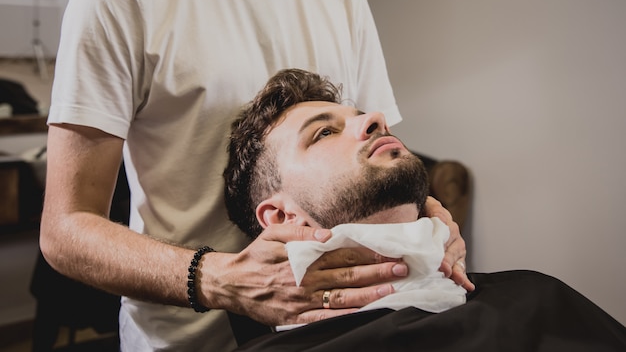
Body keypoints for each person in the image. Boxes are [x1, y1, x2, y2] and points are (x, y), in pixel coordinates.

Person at [40, 0, 472, 351]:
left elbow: (376, 150)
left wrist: (431, 218)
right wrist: (222, 280)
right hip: (191, 338)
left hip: (351, 325)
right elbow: (66, 227)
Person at [223, 69, 626, 351]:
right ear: (281, 218)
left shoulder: (535, 295)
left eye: (363, 117)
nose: (376, 119)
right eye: (324, 132)